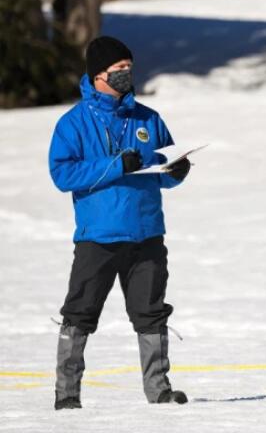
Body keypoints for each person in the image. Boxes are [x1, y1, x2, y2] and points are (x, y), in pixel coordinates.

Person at [49, 36, 192, 410]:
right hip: (98, 236)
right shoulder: (73, 124)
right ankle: (67, 394)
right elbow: (63, 174)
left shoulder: (149, 118)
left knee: (151, 311)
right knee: (80, 312)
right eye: (119, 70)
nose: (127, 75)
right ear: (98, 75)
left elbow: (162, 167)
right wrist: (115, 165)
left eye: (130, 68)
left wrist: (177, 171)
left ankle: (159, 389)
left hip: (146, 232)